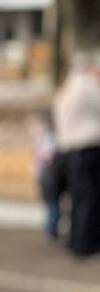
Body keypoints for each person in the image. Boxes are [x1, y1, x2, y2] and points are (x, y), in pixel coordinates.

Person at [53, 49, 100, 257]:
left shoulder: (68, 88)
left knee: (78, 199)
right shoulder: (87, 86)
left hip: (71, 150)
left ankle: (76, 242)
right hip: (87, 149)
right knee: (89, 200)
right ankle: (85, 244)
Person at [30, 109, 66, 244]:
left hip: (46, 174)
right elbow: (48, 155)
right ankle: (51, 232)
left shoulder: (41, 136)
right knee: (53, 205)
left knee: (52, 204)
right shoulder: (48, 136)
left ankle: (51, 230)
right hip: (50, 175)